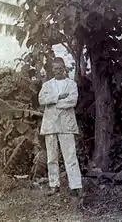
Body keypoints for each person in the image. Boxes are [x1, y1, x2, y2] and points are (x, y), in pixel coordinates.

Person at [38, 57, 82, 197]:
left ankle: (75, 186)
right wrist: (59, 97)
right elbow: (41, 100)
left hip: (66, 124)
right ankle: (54, 185)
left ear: (64, 68)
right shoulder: (47, 85)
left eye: (60, 68)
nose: (58, 71)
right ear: (52, 69)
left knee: (70, 155)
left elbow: (72, 101)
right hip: (50, 124)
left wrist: (54, 102)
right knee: (52, 157)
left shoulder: (71, 84)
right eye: (55, 68)